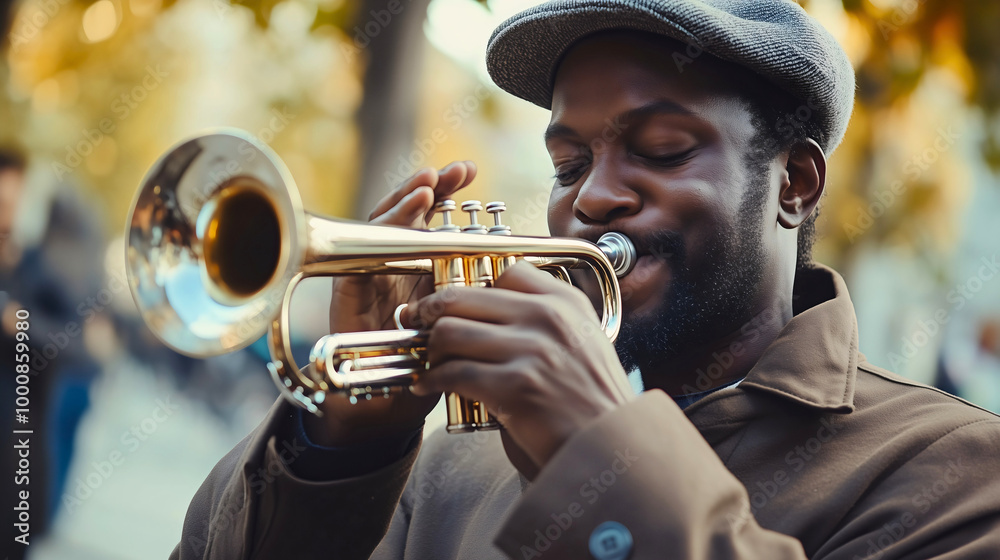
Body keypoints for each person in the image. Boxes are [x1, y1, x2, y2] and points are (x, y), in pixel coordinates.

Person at [171, 1, 1000, 559]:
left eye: (663, 151)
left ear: (795, 183)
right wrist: (344, 445)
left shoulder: (953, 470)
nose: (592, 197)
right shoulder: (454, 460)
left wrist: (599, 447)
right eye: (568, 165)